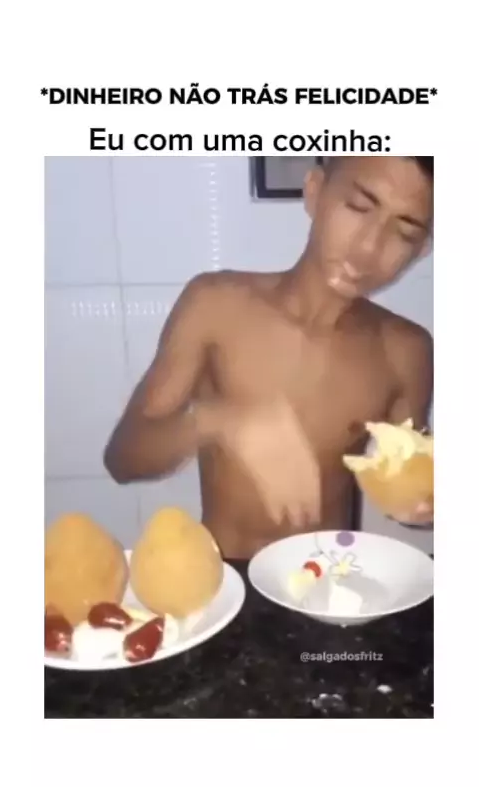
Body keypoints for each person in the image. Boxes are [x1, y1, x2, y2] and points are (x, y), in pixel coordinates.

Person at [104, 156, 434, 559]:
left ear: (421, 250)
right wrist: (217, 421)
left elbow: (409, 489)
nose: (369, 248)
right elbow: (122, 460)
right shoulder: (216, 304)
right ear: (314, 192)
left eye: (404, 232)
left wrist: (424, 503)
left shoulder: (407, 351)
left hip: (330, 579)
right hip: (226, 577)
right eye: (358, 206)